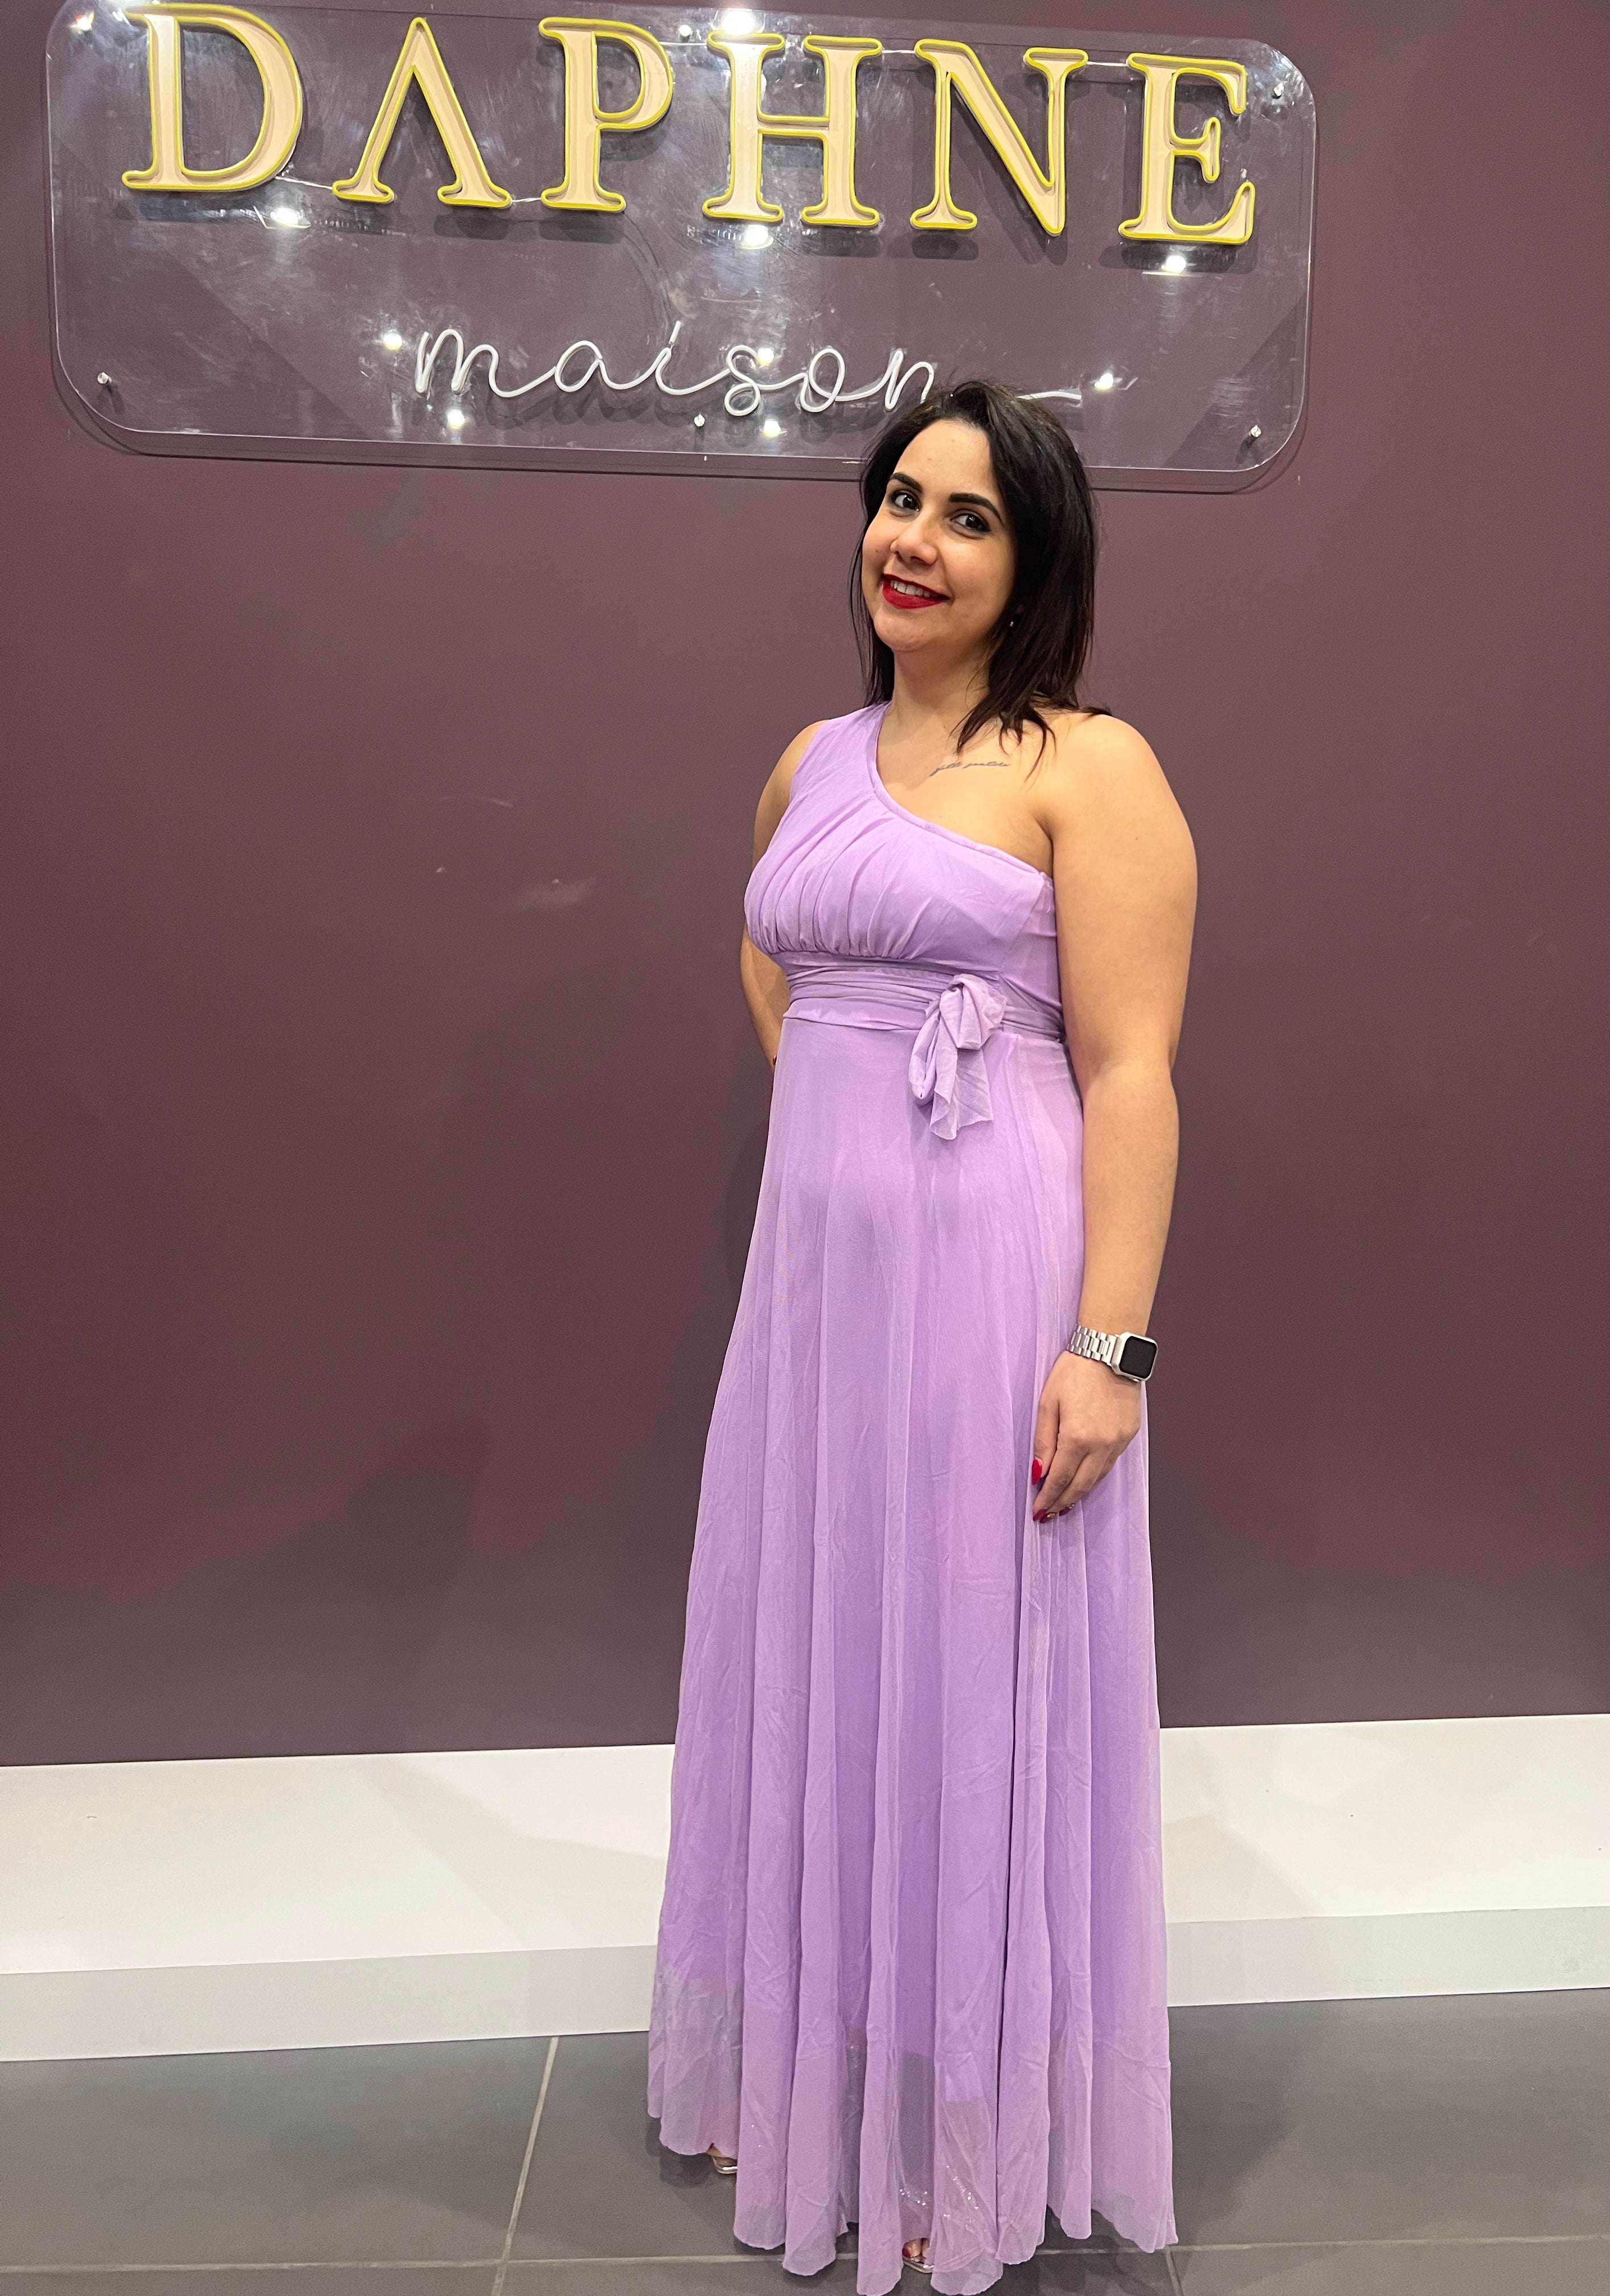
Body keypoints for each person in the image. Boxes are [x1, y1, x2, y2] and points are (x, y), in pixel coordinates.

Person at [646, 379, 1196, 2294]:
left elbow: (1133, 1074)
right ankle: (820, 2080)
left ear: (1035, 560)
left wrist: (1108, 1350)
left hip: (993, 1282)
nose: (915, 539)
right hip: (817, 1298)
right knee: (823, 1651)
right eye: (899, 497)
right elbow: (773, 948)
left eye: (969, 515)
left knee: (965, 1677)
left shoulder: (1090, 766)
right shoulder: (814, 752)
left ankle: (954, 2131)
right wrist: (847, 1108)